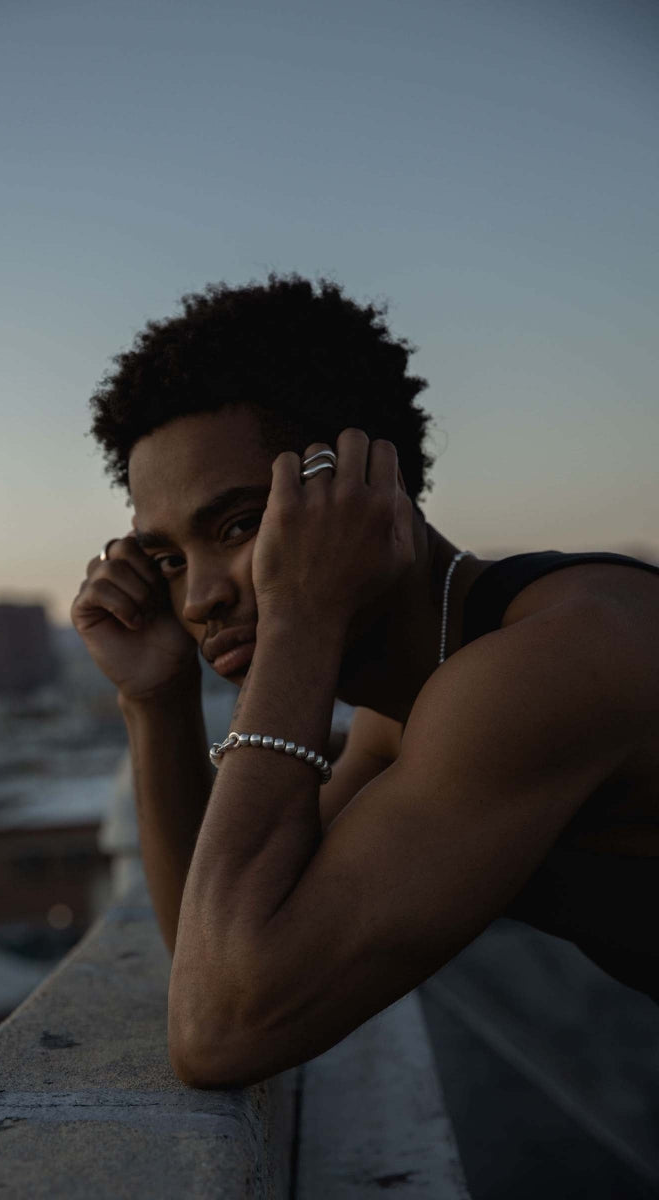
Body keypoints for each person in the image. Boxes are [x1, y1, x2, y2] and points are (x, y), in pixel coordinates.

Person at [71, 273, 659, 1089]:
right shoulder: (403, 713)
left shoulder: (551, 661)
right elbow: (215, 955)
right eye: (168, 559)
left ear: (367, 488)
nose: (199, 597)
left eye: (239, 524)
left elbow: (224, 1028)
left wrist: (301, 615)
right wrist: (154, 700)